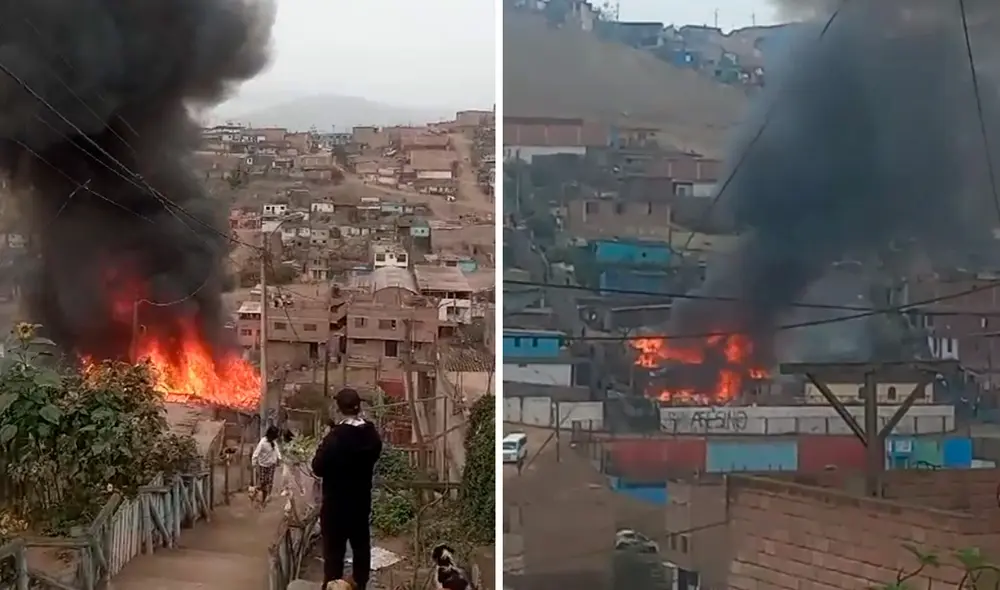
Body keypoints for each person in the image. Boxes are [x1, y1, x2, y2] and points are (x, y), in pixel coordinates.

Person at [312, 388, 383, 590]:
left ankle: (332, 586)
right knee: (361, 547)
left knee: (334, 555)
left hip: (336, 506)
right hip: (360, 503)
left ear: (338, 408)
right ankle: (360, 584)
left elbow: (317, 467)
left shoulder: (334, 438)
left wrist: (325, 441)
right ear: (359, 407)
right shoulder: (372, 436)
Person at [251, 425, 282, 506]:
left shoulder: (273, 442)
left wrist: (279, 458)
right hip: (263, 465)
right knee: (263, 481)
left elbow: (277, 450)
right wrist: (253, 463)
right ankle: (260, 493)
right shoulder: (263, 442)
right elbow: (256, 453)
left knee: (270, 480)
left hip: (272, 464)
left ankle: (268, 495)